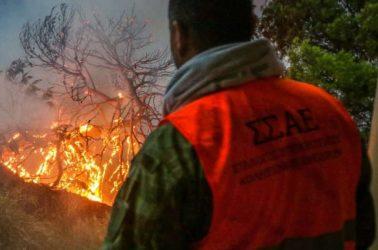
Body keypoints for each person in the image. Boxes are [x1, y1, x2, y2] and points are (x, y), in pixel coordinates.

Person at [102, 0, 376, 249]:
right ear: (251, 27)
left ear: (178, 35)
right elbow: (364, 230)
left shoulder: (181, 143)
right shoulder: (330, 112)